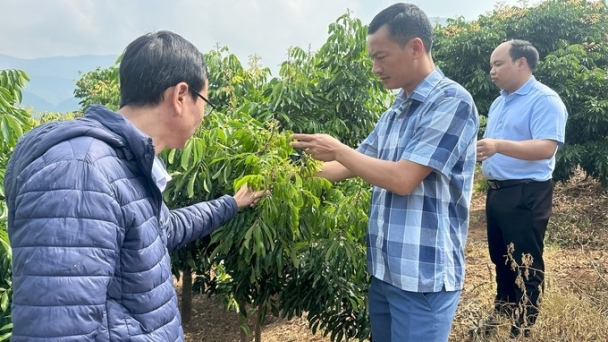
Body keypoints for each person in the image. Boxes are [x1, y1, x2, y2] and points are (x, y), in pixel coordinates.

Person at [5, 31, 266, 341]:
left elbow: (161, 230)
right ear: (180, 96)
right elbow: (56, 330)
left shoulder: (124, 165)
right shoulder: (80, 170)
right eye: (205, 101)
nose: (204, 116)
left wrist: (231, 204)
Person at [290, 3, 479, 341]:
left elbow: (403, 180)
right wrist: (288, 176)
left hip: (422, 279)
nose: (375, 69)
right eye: (373, 59)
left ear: (415, 48)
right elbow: (347, 165)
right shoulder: (395, 110)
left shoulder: (452, 102)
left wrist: (338, 148)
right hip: (386, 273)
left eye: (381, 57)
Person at [477, 39, 568, 338]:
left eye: (498, 64)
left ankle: (524, 326)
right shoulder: (500, 101)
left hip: (526, 193)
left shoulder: (545, 100)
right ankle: (502, 311)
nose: (492, 70)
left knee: (525, 262)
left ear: (521, 63)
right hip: (498, 192)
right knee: (500, 257)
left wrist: (497, 146)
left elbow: (545, 147)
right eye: (491, 65)